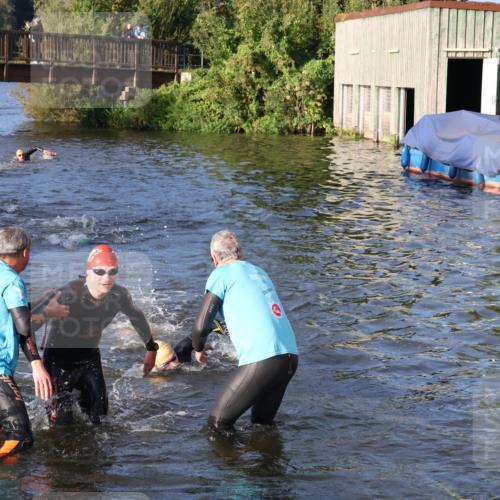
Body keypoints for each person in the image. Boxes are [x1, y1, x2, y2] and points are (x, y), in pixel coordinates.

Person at [191, 229, 299, 430]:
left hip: (263, 359)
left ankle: (234, 461)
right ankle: (265, 460)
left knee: (217, 425)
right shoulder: (259, 272)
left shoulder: (221, 274)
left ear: (214, 258)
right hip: (290, 358)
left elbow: (200, 326)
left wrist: (198, 349)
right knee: (262, 427)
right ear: (241, 253)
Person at [42, 244, 158, 425]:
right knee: (61, 427)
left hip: (90, 360)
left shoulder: (119, 295)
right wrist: (36, 365)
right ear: (87, 272)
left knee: (100, 422)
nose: (107, 278)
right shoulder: (69, 293)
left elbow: (136, 317)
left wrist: (151, 348)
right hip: (59, 363)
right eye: (99, 272)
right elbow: (26, 321)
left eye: (113, 272)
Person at [0, 227, 53, 457]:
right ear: (25, 253)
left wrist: (42, 305)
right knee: (21, 439)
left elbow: (14, 319)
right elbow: (23, 326)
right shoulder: (12, 281)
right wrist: (36, 364)